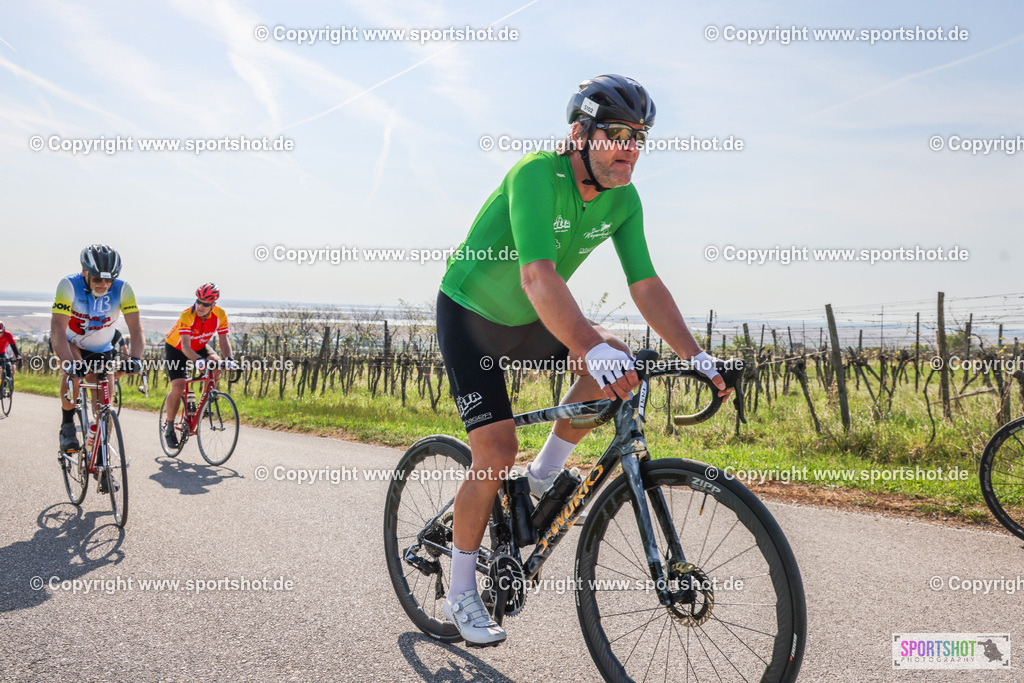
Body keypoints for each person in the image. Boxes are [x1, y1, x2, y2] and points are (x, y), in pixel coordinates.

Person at [435, 75, 730, 645]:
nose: (630, 147)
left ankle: (545, 480)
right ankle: (461, 591)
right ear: (579, 134)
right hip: (472, 316)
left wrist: (696, 355)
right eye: (617, 133)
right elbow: (537, 274)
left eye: (639, 136)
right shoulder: (535, 176)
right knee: (495, 449)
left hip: (530, 321)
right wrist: (584, 341)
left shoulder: (624, 200)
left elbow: (644, 283)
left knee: (614, 361)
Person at [51, 245, 145, 476]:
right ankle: (67, 425)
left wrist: (135, 358)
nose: (103, 285)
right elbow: (57, 329)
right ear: (85, 272)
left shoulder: (123, 289)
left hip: (102, 348)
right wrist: (68, 363)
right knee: (73, 373)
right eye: (97, 279)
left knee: (104, 405)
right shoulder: (69, 285)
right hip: (71, 342)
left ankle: (102, 457)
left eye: (109, 280)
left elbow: (135, 327)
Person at [162, 283, 233, 449]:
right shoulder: (187, 315)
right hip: (177, 348)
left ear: (213, 305)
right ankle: (170, 428)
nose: (200, 306)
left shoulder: (220, 315)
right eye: (198, 301)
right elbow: (186, 347)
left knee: (216, 365)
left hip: (199, 345)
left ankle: (205, 403)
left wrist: (230, 358)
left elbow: (223, 339)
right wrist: (198, 360)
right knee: (178, 386)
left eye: (205, 304)